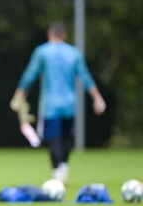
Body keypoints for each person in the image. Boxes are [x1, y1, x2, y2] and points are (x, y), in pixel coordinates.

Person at [12, 22, 106, 184]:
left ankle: (57, 174)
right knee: (66, 138)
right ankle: (63, 170)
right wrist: (97, 97)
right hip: (70, 104)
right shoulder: (74, 53)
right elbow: (85, 76)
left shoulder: (42, 52)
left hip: (50, 105)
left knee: (54, 139)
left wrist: (20, 93)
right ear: (65, 36)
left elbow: (30, 75)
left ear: (49, 34)